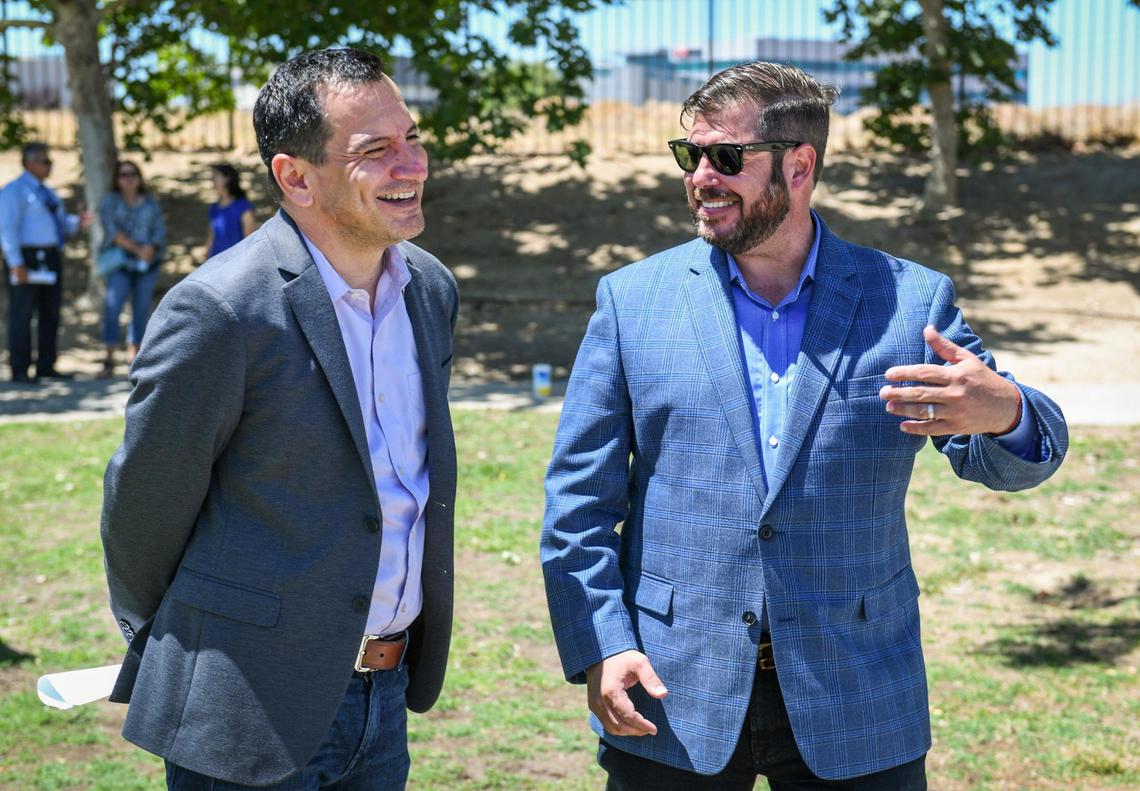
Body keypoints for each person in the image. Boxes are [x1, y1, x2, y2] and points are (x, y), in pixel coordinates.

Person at [541, 61, 1069, 791]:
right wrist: (603, 645)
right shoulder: (633, 302)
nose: (701, 176)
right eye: (689, 155)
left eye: (726, 158)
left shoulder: (909, 301)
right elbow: (578, 506)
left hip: (856, 691)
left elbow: (1019, 456)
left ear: (799, 165)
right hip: (669, 687)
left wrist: (1007, 412)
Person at [101, 47, 458, 790]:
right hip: (246, 706)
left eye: (413, 139)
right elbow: (142, 513)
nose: (411, 165)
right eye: (375, 151)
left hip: (383, 699)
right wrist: (195, 644)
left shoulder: (430, 289)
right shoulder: (220, 310)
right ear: (295, 176)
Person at [0, 141, 93, 383]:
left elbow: (59, 225)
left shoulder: (49, 193)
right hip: (26, 257)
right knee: (22, 313)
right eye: (45, 161)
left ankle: (46, 365)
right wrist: (15, 263)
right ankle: (20, 368)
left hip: (50, 257)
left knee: (50, 313)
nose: (50, 165)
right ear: (29, 163)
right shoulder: (14, 192)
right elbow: (6, 229)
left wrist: (78, 222)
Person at [96, 160, 167, 378]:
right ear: (117, 180)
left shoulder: (150, 204)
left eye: (132, 174)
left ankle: (134, 357)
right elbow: (112, 233)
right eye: (123, 175)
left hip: (147, 264)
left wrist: (151, 249)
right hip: (120, 263)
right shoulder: (110, 202)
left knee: (141, 309)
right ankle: (108, 356)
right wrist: (138, 249)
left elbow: (159, 231)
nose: (128, 179)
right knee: (113, 307)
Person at [205, 162, 256, 259]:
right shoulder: (214, 208)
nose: (212, 180)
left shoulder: (243, 207)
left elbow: (249, 240)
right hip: (216, 262)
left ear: (227, 178)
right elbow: (211, 237)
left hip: (235, 262)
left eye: (215, 176)